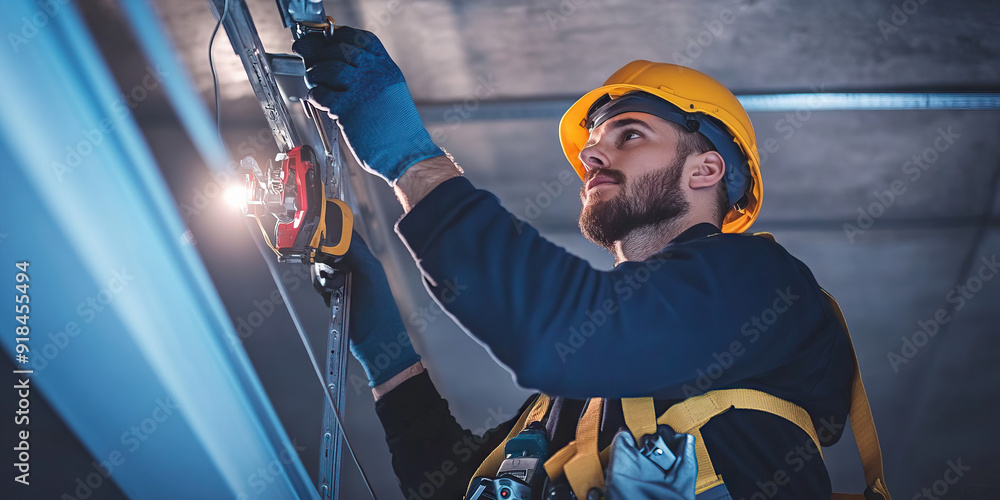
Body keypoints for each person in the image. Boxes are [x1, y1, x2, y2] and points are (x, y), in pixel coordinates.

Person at [294, 26, 854, 499]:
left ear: (705, 170)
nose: (590, 154)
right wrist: (384, 348)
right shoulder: (580, 401)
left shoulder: (759, 283)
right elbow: (443, 484)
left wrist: (410, 159)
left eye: (629, 133)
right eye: (593, 141)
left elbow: (555, 331)